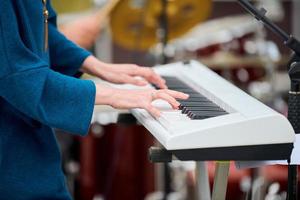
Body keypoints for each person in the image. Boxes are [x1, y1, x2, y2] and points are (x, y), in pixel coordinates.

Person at [0, 0, 188, 199]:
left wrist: (96, 66)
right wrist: (114, 95)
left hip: (31, 143)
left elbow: (41, 31)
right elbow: (18, 77)